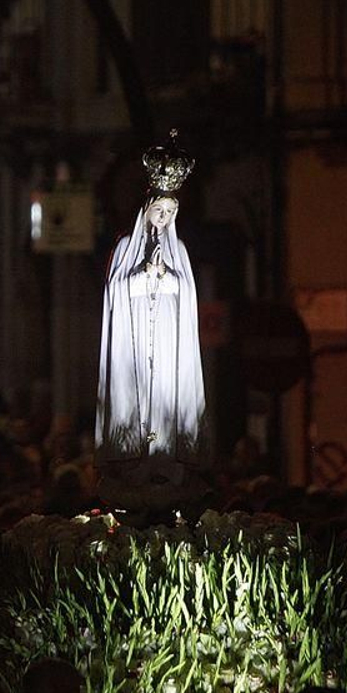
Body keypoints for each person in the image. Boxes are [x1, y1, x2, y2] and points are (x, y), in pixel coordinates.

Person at [96, 133, 205, 474]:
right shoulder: (127, 245)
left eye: (170, 211)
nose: (163, 217)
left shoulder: (180, 251)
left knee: (163, 392)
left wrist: (165, 276)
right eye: (159, 210)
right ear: (147, 209)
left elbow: (185, 292)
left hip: (167, 338)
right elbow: (117, 289)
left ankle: (166, 448)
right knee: (138, 386)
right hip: (136, 332)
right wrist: (145, 274)